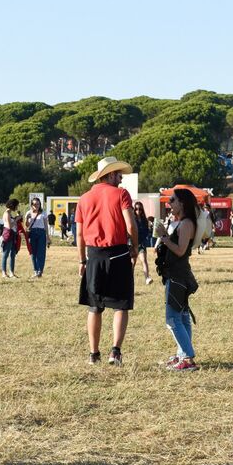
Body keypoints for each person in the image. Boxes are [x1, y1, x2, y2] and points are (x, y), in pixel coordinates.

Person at [76, 157, 138, 366]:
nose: (121, 178)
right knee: (121, 305)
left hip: (93, 256)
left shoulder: (84, 198)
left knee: (94, 307)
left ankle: (94, 354)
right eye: (119, 174)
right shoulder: (121, 194)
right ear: (110, 174)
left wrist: (81, 260)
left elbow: (79, 234)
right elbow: (131, 225)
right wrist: (135, 247)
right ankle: (115, 352)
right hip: (118, 254)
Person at [156, 189, 203, 371]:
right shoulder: (184, 223)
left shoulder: (186, 224)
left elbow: (180, 250)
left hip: (178, 276)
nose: (169, 203)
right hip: (178, 274)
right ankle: (182, 354)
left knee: (173, 319)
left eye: (173, 200)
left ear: (182, 203)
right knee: (182, 317)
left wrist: (164, 237)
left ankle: (187, 358)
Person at [25, 197, 50, 278]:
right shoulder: (28, 213)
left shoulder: (43, 213)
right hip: (32, 233)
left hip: (41, 233)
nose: (36, 205)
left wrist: (48, 236)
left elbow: (46, 225)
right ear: (31, 205)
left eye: (38, 204)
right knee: (33, 252)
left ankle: (40, 271)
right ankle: (35, 270)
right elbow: (27, 226)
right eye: (34, 204)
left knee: (41, 252)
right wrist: (27, 218)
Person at [132, 201, 153, 285]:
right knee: (132, 263)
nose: (138, 211)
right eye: (136, 209)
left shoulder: (144, 220)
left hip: (141, 244)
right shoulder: (132, 219)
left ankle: (147, 278)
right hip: (133, 244)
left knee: (144, 260)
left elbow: (146, 231)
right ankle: (129, 279)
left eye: (140, 209)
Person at [0, 199, 21, 278]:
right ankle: (4, 273)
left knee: (13, 254)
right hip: (8, 235)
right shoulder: (6, 214)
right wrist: (16, 219)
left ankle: (11, 272)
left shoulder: (10, 213)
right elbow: (9, 226)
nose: (17, 207)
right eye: (17, 205)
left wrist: (16, 218)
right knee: (5, 254)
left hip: (13, 235)